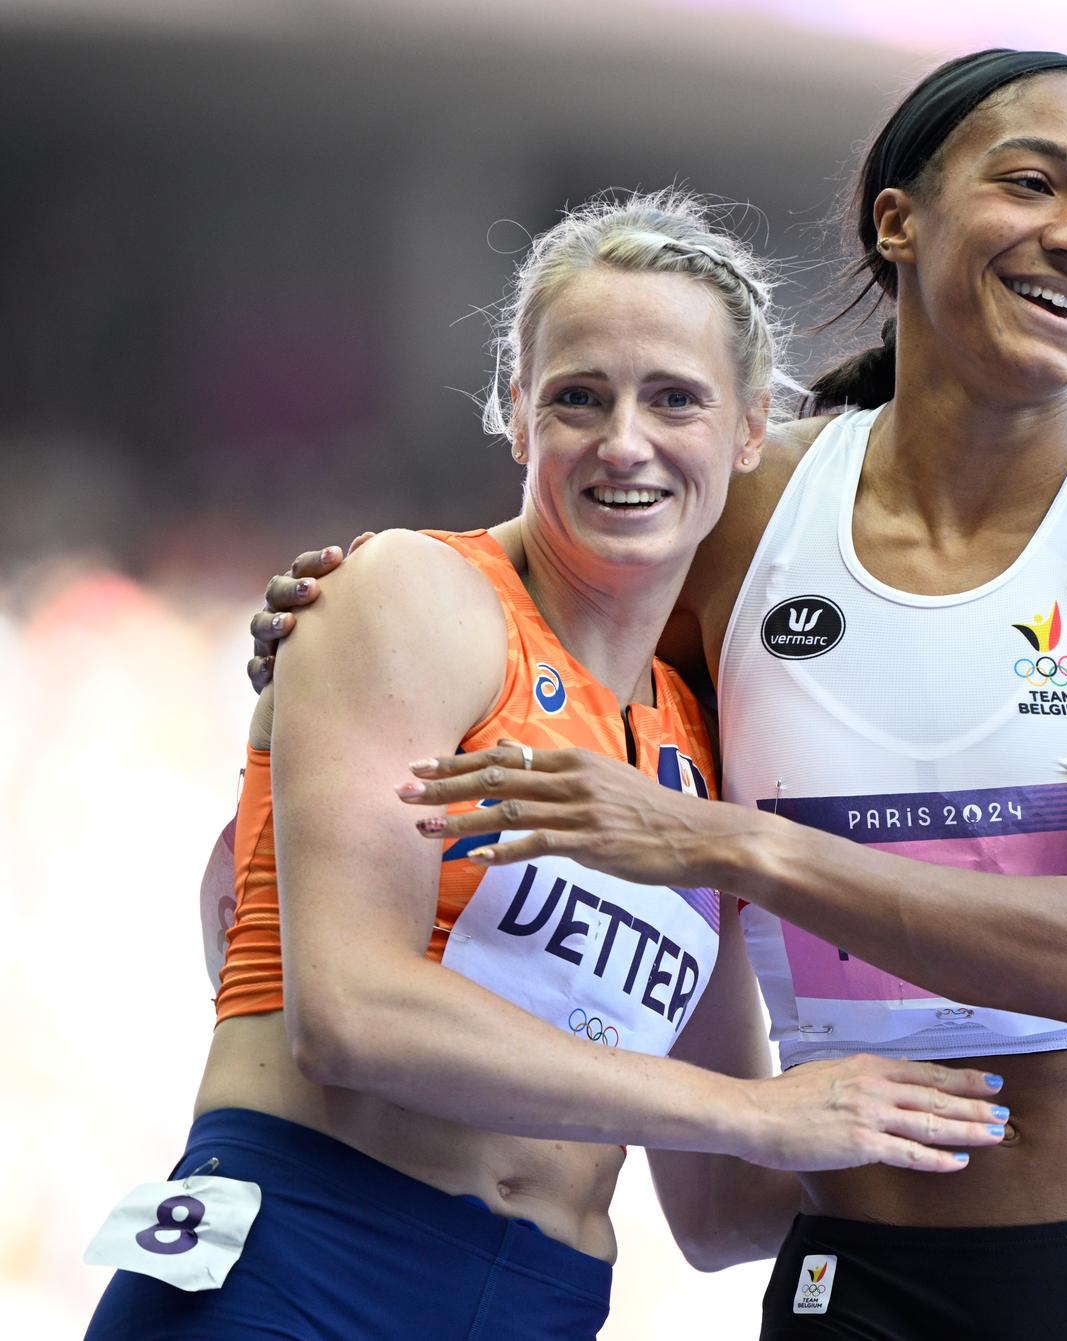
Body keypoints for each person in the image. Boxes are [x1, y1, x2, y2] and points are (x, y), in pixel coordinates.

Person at [255, 49, 1067, 1339]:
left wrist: (726, 843)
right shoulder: (740, 509)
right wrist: (318, 625)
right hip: (847, 1275)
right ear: (897, 219)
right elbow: (497, 626)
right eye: (1033, 182)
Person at [87, 192, 1016, 1341]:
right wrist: (757, 1109)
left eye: (674, 397)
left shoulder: (704, 746)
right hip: (304, 1264)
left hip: (542, 1303)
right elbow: (355, 1020)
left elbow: (723, 1204)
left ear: (747, 435)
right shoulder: (415, 596)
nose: (624, 441)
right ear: (517, 416)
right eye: (580, 397)